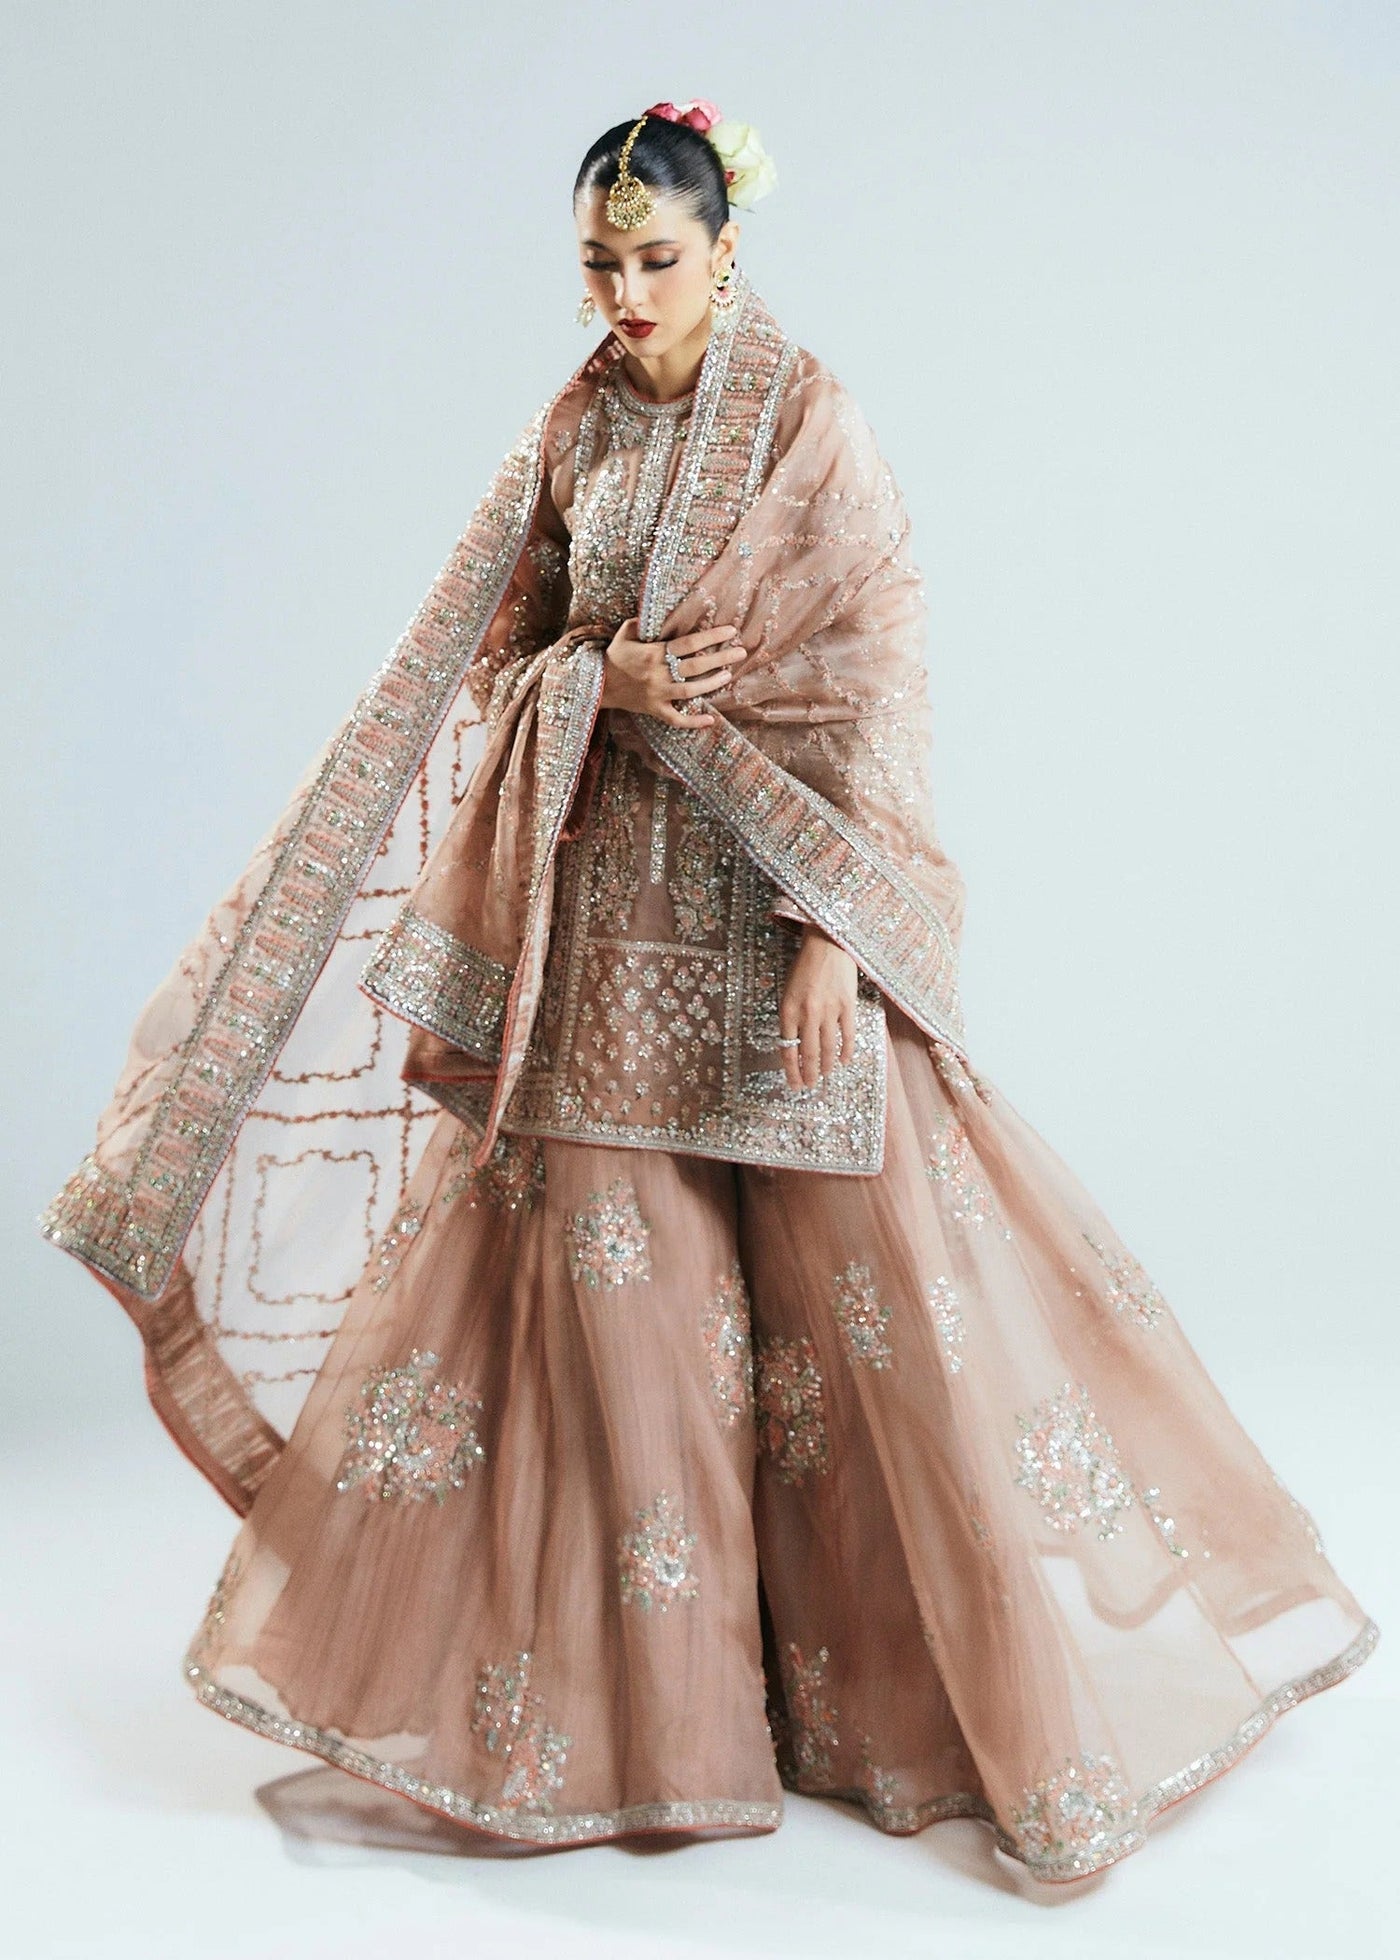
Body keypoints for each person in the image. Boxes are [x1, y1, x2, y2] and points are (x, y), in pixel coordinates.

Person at [39, 99, 1378, 1884]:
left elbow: (873, 689)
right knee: (630, 1344)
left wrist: (840, 936)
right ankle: (662, 1731)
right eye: (597, 263)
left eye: (655, 258)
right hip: (598, 952)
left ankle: (884, 1713)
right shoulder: (572, 426)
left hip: (773, 935)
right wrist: (602, 682)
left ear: (727, 245)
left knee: (867, 1343)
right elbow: (489, 670)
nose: (624, 293)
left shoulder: (811, 422)